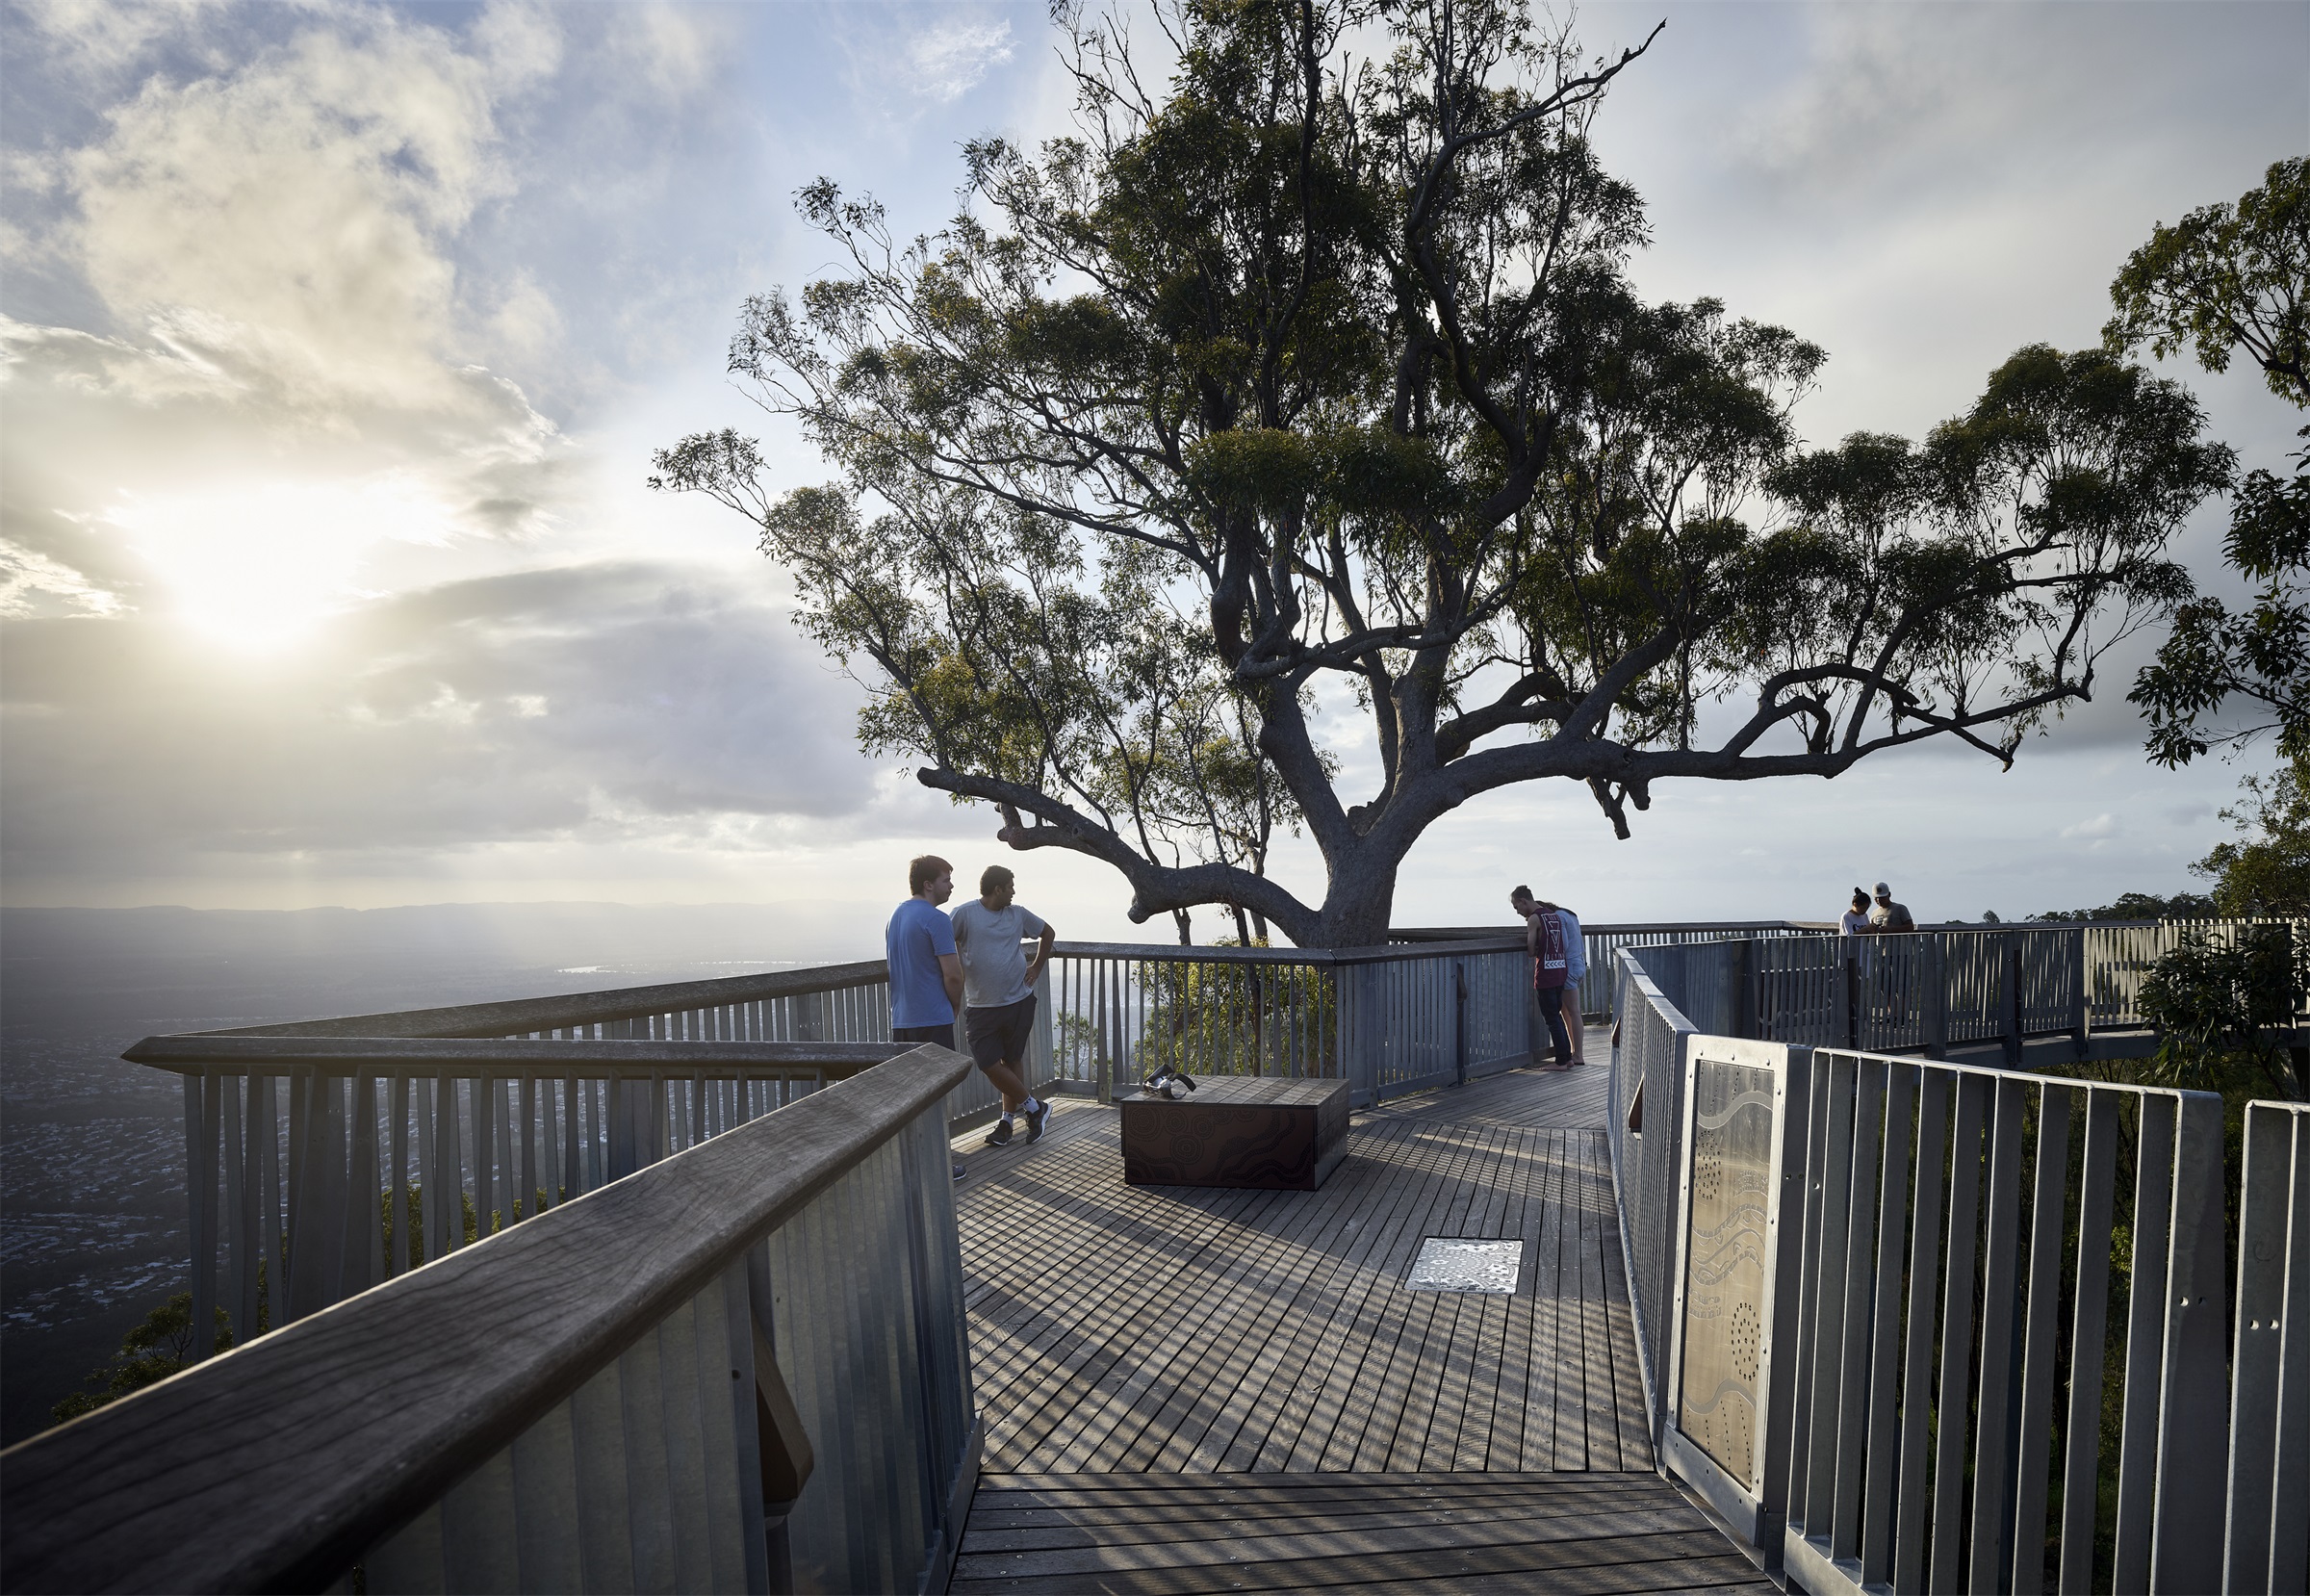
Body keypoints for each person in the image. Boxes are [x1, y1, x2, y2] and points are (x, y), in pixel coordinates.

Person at [950, 864, 1054, 1146]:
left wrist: (1037, 966)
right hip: (982, 1005)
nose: (1013, 891)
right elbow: (944, 944)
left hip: (1018, 1000)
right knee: (987, 1062)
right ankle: (1035, 1107)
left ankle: (1007, 1124)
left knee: (1012, 1060)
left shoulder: (1017, 914)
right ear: (997, 889)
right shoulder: (965, 914)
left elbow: (1048, 933)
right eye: (1010, 886)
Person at [887, 854, 967, 1178]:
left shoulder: (897, 916)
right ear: (929, 884)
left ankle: (912, 1165)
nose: (951, 885)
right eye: (947, 879)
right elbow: (953, 975)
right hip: (933, 1018)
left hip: (902, 1018)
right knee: (934, 1096)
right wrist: (954, 1006)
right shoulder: (936, 919)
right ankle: (938, 1167)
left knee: (909, 1096)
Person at [1509, 886, 1573, 1068]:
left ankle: (1561, 1061)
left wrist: (1536, 947)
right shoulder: (1554, 916)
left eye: (1517, 907)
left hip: (1546, 973)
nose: (1518, 912)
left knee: (1551, 1018)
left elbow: (1530, 949)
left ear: (1523, 901)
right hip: (1560, 970)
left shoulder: (1534, 919)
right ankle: (1567, 1058)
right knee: (1557, 1016)